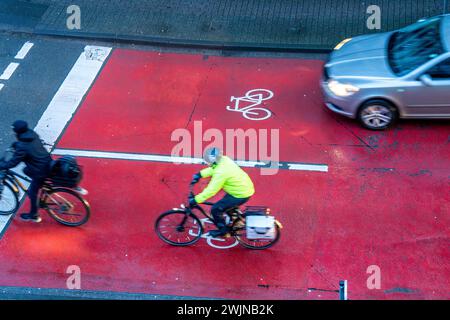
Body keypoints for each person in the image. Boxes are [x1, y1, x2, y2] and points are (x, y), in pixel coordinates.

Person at [189, 147, 255, 237]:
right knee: (226, 206)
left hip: (239, 194)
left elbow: (211, 190)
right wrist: (200, 174)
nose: (207, 163)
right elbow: (214, 168)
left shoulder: (221, 173)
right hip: (242, 188)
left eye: (208, 161)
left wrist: (196, 199)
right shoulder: (224, 160)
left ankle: (224, 231)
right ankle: (237, 220)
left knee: (216, 209)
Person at [0, 120, 52, 222]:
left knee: (33, 193)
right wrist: (16, 144)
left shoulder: (22, 146)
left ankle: (34, 215)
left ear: (18, 131)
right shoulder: (32, 134)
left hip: (39, 171)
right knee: (26, 170)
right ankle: (41, 185)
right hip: (47, 162)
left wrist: (2, 166)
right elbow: (26, 145)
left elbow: (13, 163)